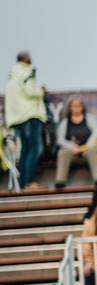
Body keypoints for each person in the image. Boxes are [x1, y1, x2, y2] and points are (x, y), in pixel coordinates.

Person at [5, 51, 47, 189]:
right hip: (30, 114)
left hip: (18, 117)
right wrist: (41, 91)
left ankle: (23, 183)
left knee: (25, 150)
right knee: (34, 148)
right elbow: (30, 91)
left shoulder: (12, 73)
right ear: (27, 59)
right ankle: (29, 182)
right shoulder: (27, 71)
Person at [55, 97, 97, 187]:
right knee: (63, 152)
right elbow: (60, 139)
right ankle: (60, 182)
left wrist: (86, 147)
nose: (77, 107)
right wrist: (71, 146)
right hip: (73, 151)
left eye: (79, 104)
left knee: (93, 151)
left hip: (88, 150)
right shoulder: (65, 122)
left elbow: (96, 132)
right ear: (70, 108)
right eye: (74, 105)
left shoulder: (90, 118)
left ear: (83, 106)